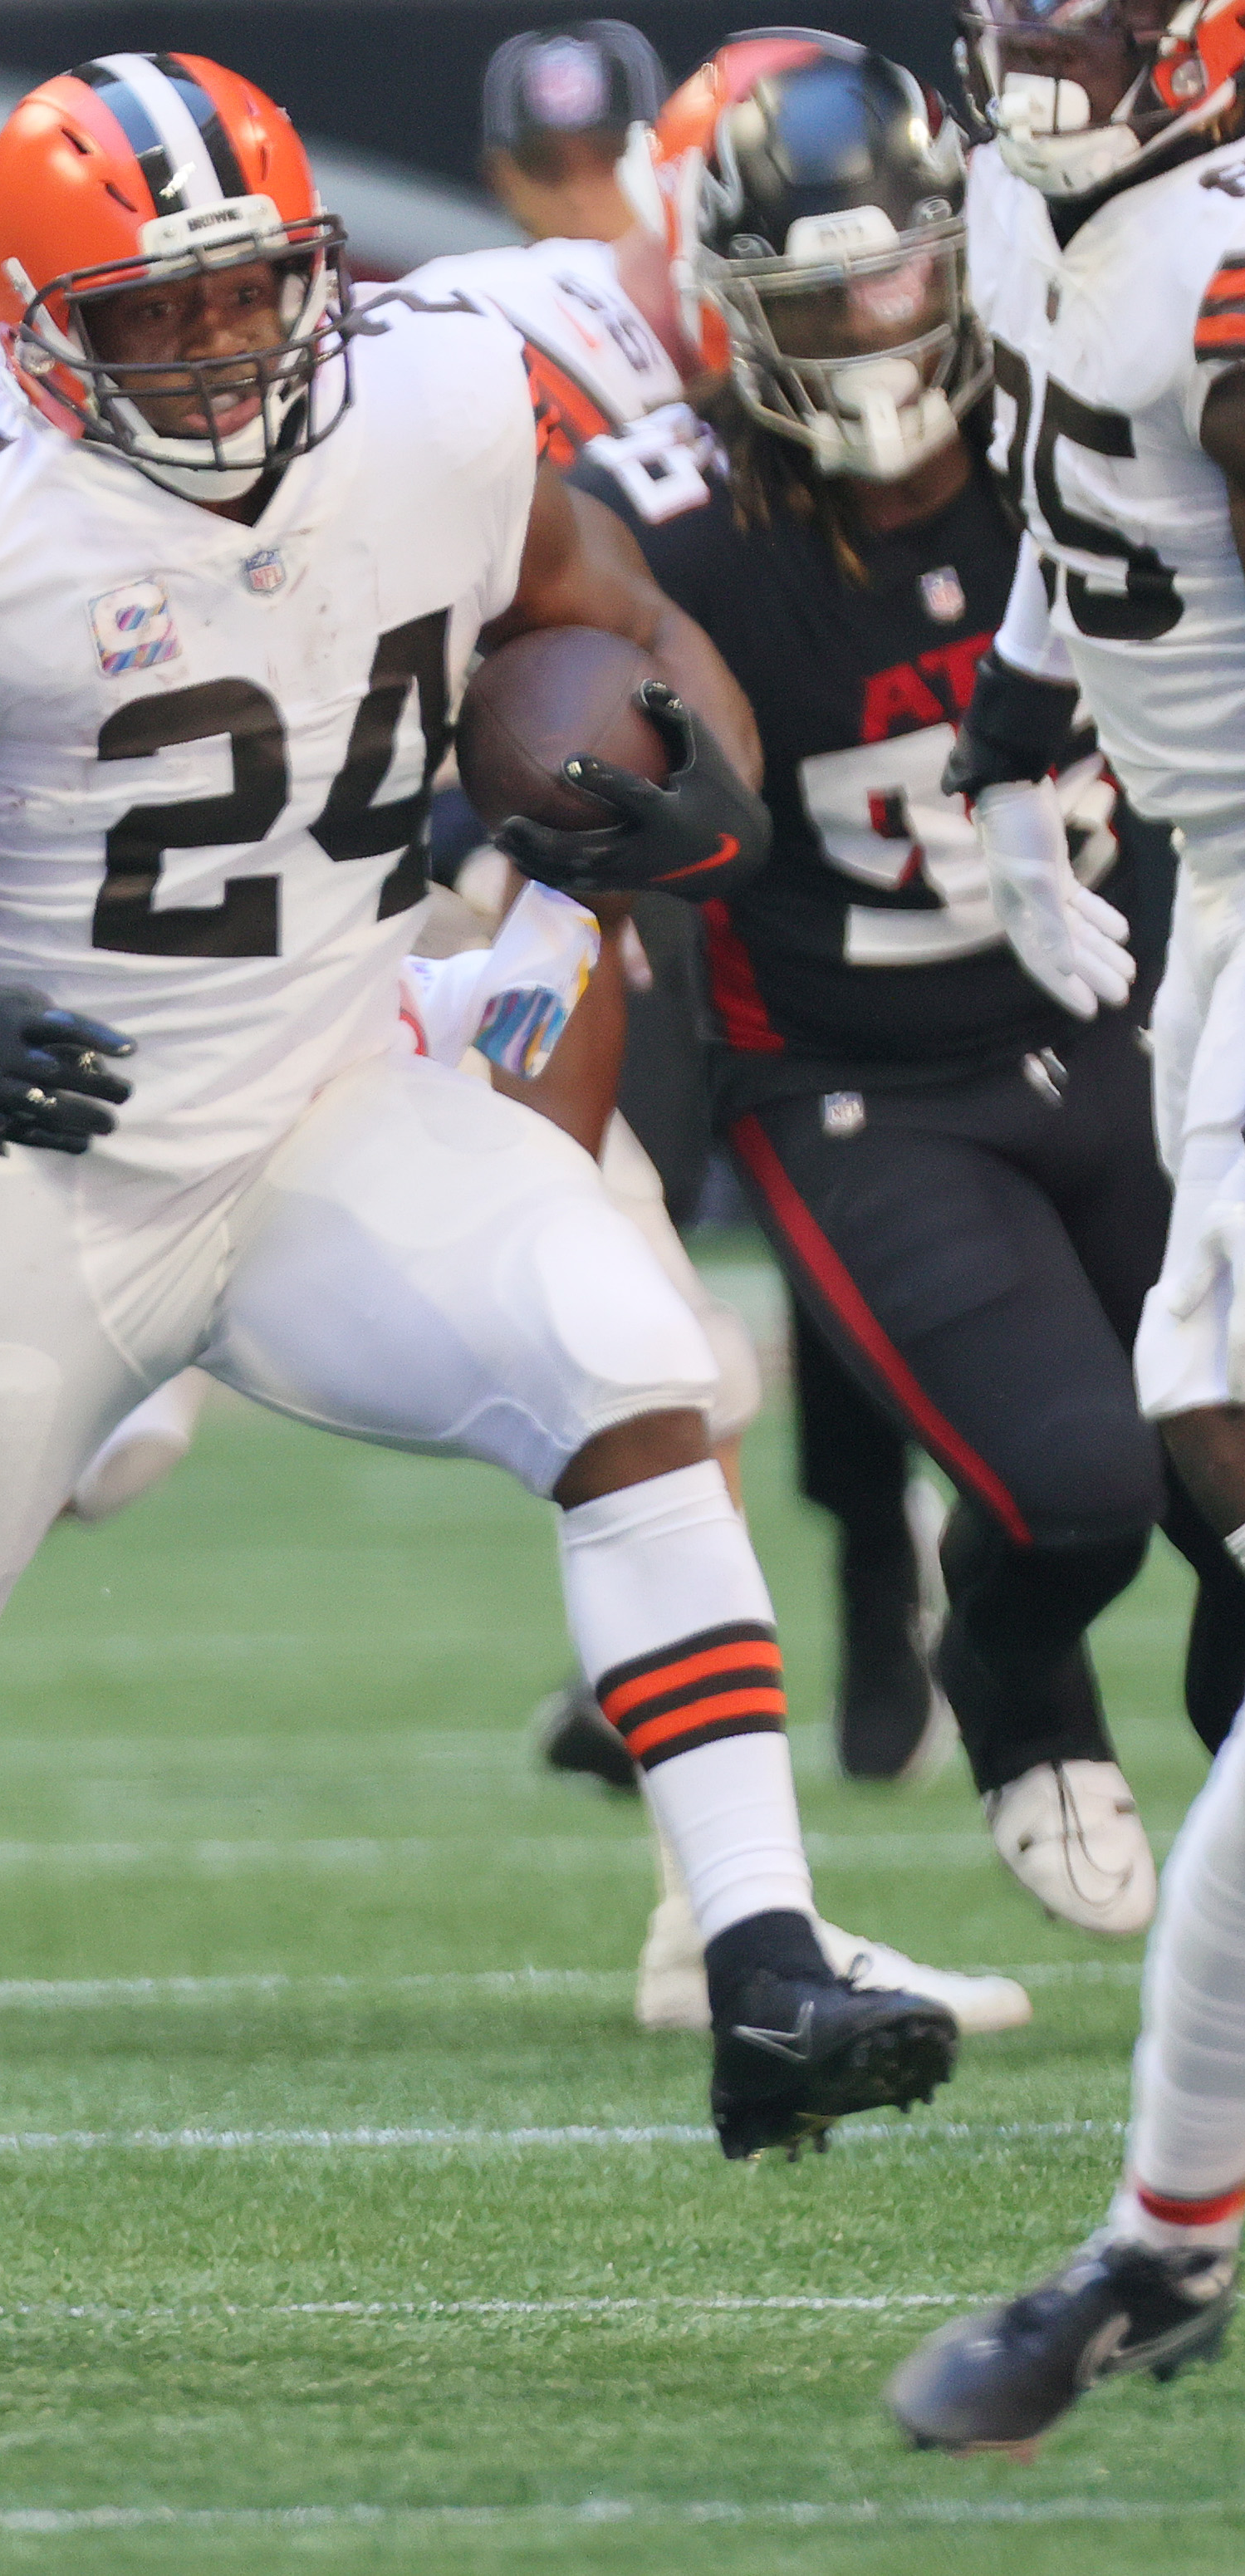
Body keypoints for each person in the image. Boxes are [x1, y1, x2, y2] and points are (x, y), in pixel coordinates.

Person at [0, 52, 969, 2368]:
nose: (219, 353)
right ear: (38, 336)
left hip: (334, 1102)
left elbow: (600, 608)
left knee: (643, 1364)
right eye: (149, 319)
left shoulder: (438, 397)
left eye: (245, 296)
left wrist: (677, 774)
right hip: (50, 1158)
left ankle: (759, 1964)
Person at [595, 32, 1245, 1949]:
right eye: (823, 295)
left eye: (897, 277)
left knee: (1215, 1476)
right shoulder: (672, 524)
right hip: (857, 1072)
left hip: (1121, 1007)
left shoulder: (1116, 317)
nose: (874, 329)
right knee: (1071, 1491)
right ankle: (1015, 1680)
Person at [888, 0, 1245, 2455]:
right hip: (1218, 895)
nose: (1041, 42)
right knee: (1199, 1431)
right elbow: (1070, 496)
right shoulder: (1039, 204)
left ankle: (1163, 2236)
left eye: (1090, 8)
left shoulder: (1217, 255)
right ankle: (1171, 2234)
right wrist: (1029, 713)